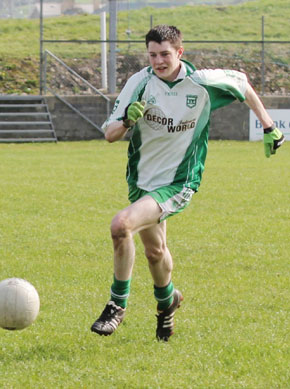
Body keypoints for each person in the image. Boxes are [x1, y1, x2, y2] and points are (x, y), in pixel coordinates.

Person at [90, 25, 284, 341]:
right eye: (152, 55)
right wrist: (127, 120)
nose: (158, 61)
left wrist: (269, 127)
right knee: (155, 252)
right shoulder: (140, 83)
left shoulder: (203, 83)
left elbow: (243, 84)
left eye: (165, 54)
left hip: (180, 180)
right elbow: (110, 133)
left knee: (121, 225)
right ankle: (168, 303)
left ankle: (116, 305)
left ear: (180, 52)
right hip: (142, 180)